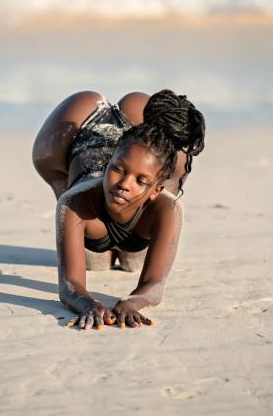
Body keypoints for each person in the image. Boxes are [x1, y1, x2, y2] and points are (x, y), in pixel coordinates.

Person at [32, 90, 205, 329]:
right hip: (81, 118)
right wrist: (87, 304)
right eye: (118, 170)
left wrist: (133, 302)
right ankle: (95, 238)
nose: (124, 185)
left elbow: (154, 286)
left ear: (156, 189)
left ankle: (143, 186)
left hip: (139, 121)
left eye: (141, 181)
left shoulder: (166, 207)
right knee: (95, 262)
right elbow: (70, 285)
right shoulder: (75, 202)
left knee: (132, 263)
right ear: (110, 161)